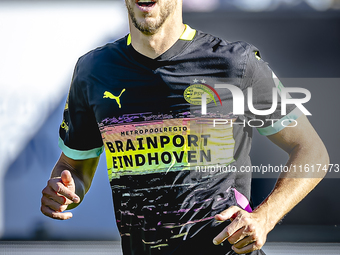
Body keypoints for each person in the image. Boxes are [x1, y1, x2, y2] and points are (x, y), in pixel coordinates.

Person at [41, 0, 329, 254]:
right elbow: (74, 167)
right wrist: (64, 191)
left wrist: (264, 217)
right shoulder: (93, 71)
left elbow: (312, 151)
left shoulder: (234, 64)